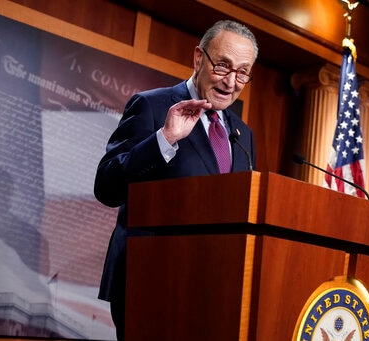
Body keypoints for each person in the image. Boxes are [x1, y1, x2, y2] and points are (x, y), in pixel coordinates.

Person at [93, 20, 258, 341]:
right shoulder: (152, 106)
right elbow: (107, 186)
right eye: (223, 66)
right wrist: (165, 138)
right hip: (150, 283)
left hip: (214, 291)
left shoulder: (243, 135)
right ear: (199, 58)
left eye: (242, 72)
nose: (231, 82)